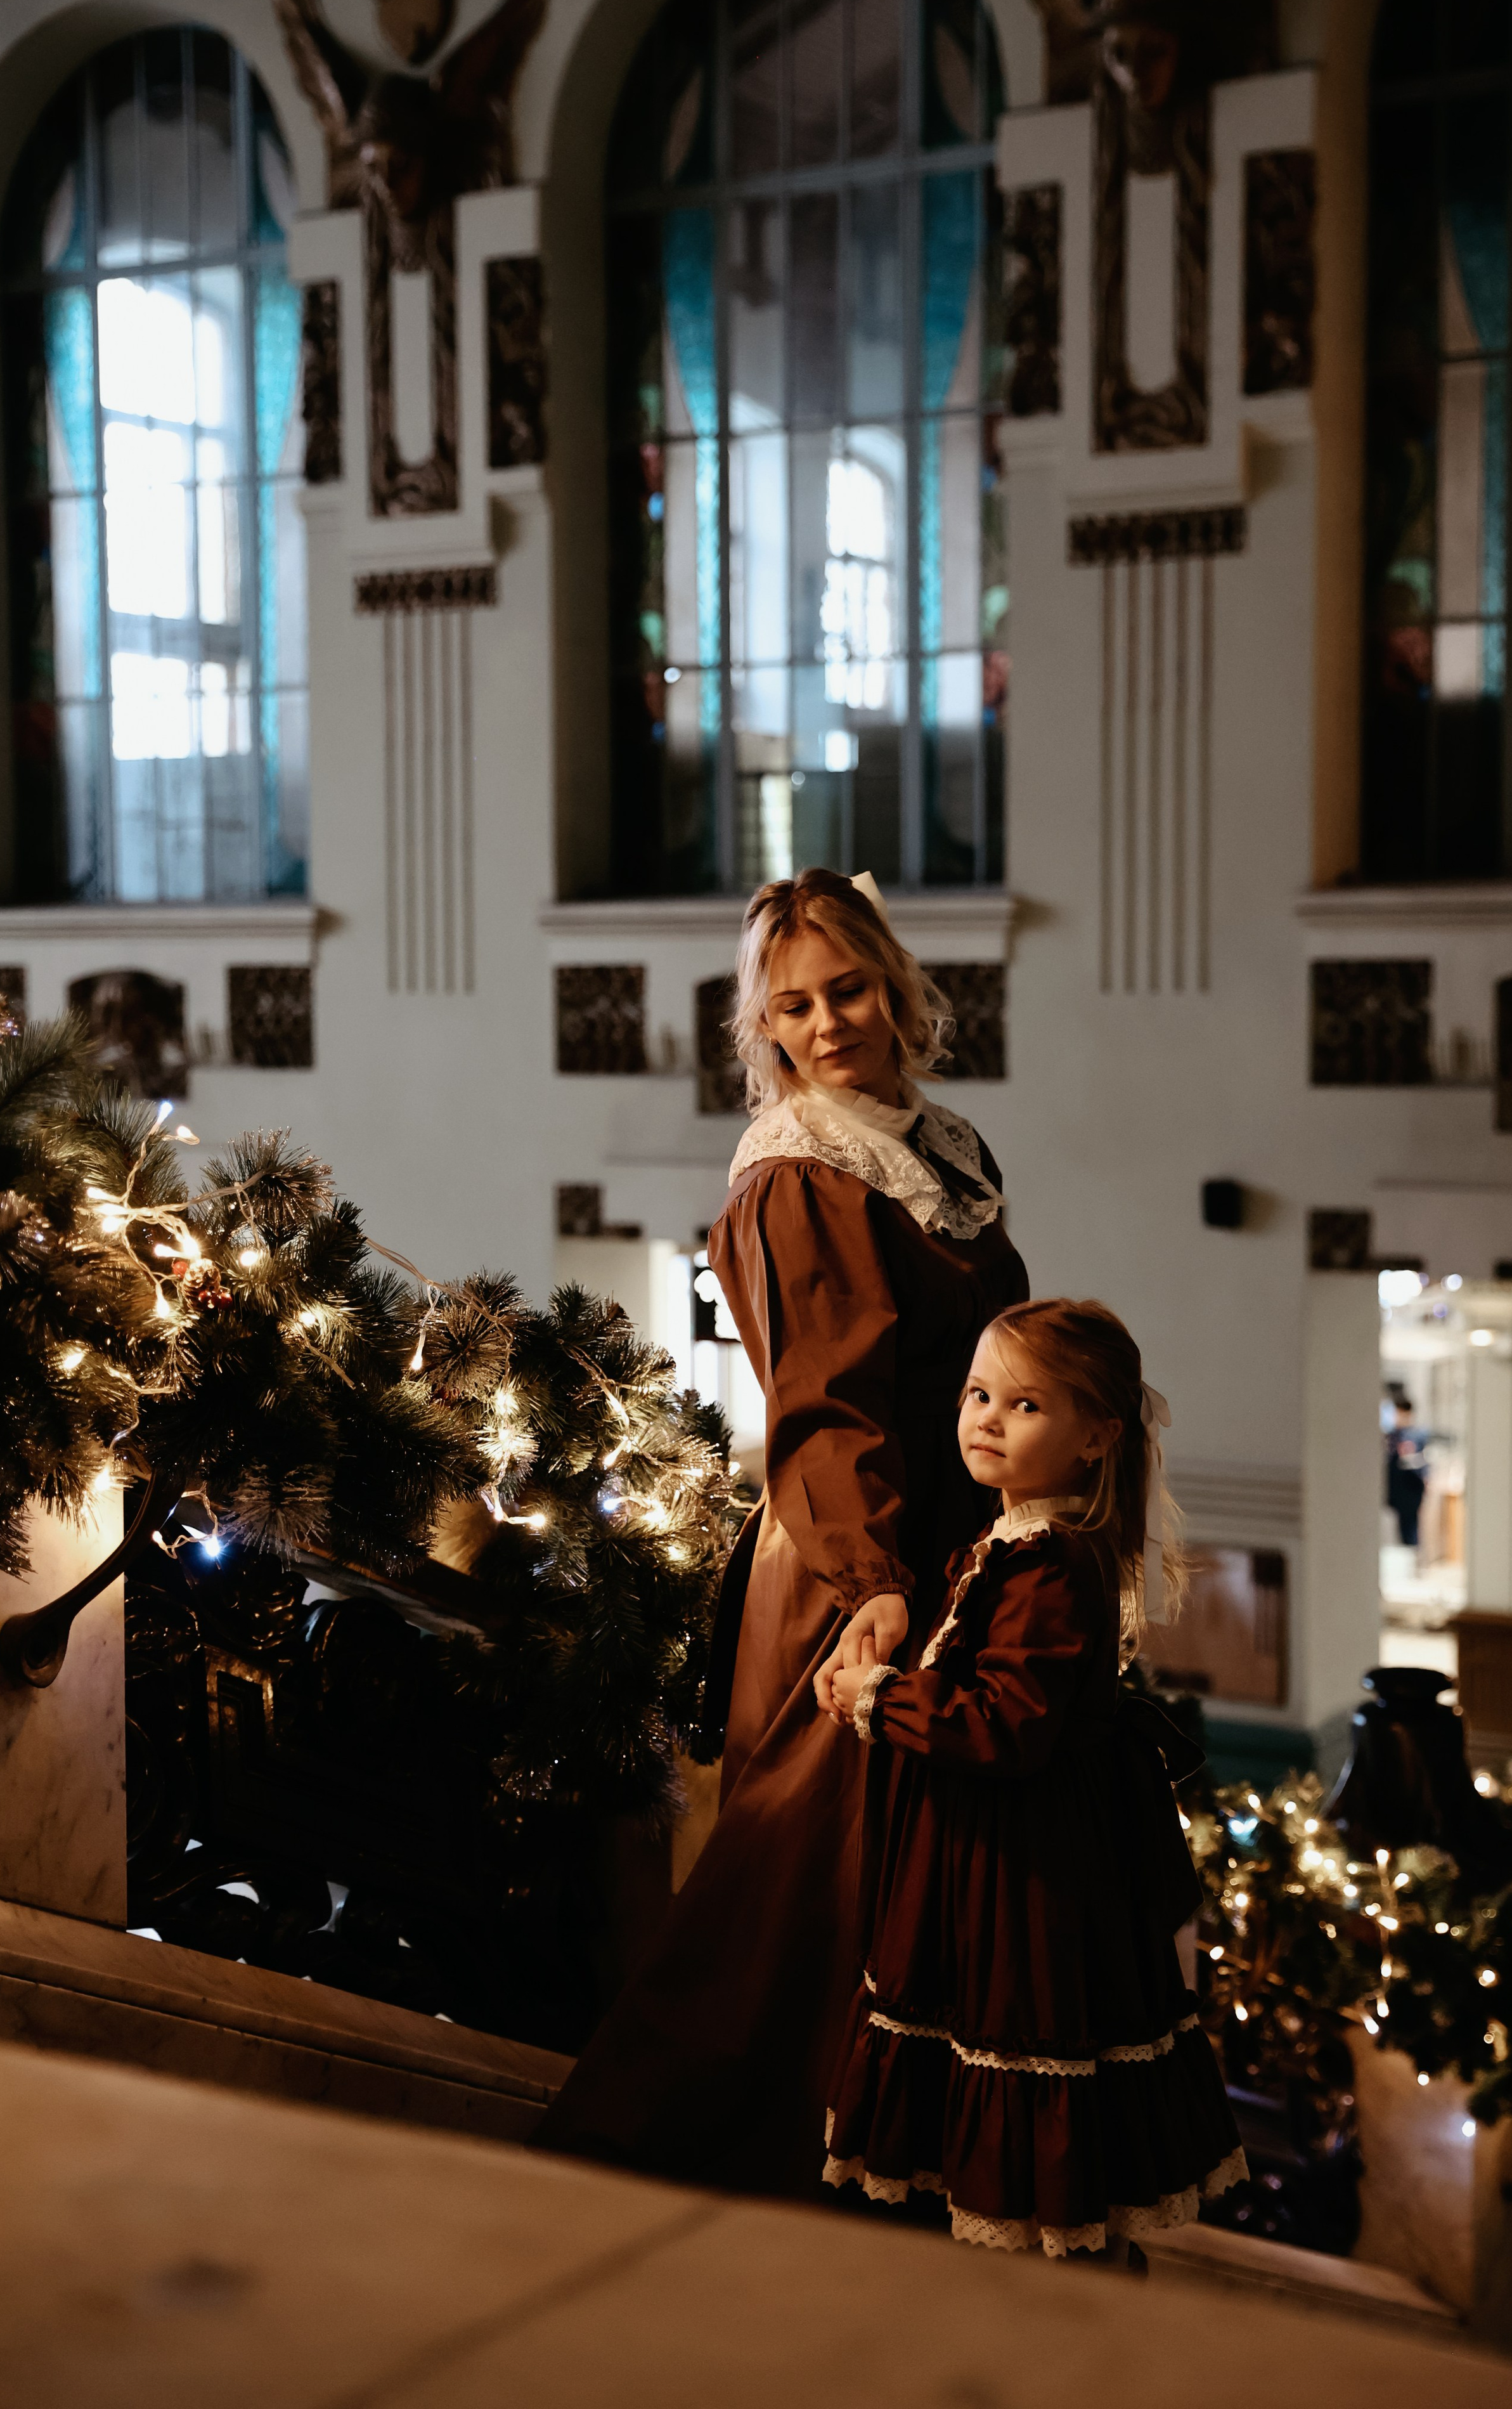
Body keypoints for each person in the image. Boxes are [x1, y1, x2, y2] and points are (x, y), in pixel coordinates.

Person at [534, 870, 1029, 2197]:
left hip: (946, 1550)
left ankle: (869, 2166)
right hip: (850, 1558)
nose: (825, 1025)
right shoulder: (803, 1174)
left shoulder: (931, 1144)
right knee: (799, 1892)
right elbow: (826, 1401)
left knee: (891, 1886)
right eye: (793, 1005)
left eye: (849, 989)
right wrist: (872, 1586)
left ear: (897, 986)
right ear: (764, 1027)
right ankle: (671, 2165)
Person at [820, 1297, 1246, 2260]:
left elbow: (1006, 1723)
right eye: (979, 1394)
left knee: (1024, 2034)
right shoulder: (1010, 1542)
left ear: (1097, 1438)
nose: (985, 1419)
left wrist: (873, 1702)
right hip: (984, 1847)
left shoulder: (1054, 1563)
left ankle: (1047, 2263)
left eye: (1025, 1406)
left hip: (1026, 1863)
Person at [1385, 1396, 1428, 1550]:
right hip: (1396, 1488)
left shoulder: (1418, 1435)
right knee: (1397, 1529)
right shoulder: (1392, 1436)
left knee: (1410, 1528)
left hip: (1411, 1488)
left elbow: (1422, 1463)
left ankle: (1412, 1558)